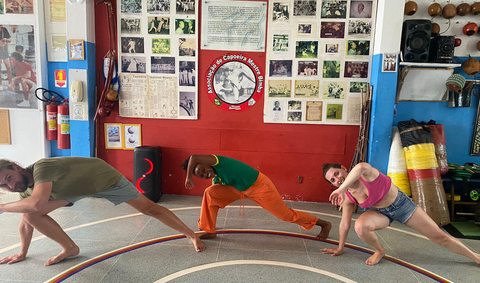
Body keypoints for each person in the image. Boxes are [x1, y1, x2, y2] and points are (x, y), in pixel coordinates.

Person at [0, 157, 205, 266]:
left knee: (149, 209)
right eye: (4, 186)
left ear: (16, 167)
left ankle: (191, 235)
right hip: (74, 190)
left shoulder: (41, 168)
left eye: (8, 178)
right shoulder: (25, 189)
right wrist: (22, 252)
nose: (10, 187)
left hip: (103, 179)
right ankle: (70, 248)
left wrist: (1, 207)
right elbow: (26, 220)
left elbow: (37, 203)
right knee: (29, 214)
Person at [321, 162, 480, 266]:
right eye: (333, 181)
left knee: (439, 236)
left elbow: (361, 167)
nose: (337, 179)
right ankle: (380, 250)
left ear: (343, 168)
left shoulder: (365, 173)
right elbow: (344, 224)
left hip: (403, 206)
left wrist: (341, 189)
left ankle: (475, 257)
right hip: (381, 213)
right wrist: (340, 248)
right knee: (360, 226)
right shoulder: (348, 196)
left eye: (336, 173)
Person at [182, 155, 332, 240]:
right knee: (210, 193)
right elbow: (218, 187)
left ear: (205, 163)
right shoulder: (216, 176)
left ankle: (323, 224)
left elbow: (194, 157)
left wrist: (189, 177)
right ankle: (209, 230)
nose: (205, 173)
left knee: (285, 215)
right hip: (238, 188)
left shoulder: (217, 161)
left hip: (259, 186)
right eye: (201, 175)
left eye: (203, 169)